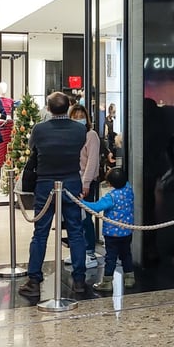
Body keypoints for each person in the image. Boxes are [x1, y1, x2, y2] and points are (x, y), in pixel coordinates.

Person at [19, 92, 88, 298]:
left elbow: (33, 147)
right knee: (76, 232)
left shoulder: (39, 129)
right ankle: (79, 280)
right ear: (68, 107)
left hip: (45, 183)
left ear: (48, 109)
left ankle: (34, 280)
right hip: (72, 182)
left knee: (40, 233)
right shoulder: (79, 129)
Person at [85, 168, 136, 292]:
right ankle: (129, 278)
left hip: (112, 234)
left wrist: (81, 201)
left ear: (110, 184)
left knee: (110, 258)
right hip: (127, 232)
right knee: (126, 255)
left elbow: (96, 207)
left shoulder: (111, 197)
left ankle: (107, 282)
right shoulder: (129, 190)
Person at [68, 104, 101, 270]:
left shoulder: (91, 135)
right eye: (75, 116)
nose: (78, 119)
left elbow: (92, 161)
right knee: (74, 218)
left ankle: (90, 252)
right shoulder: (70, 135)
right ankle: (77, 251)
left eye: (81, 116)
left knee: (86, 218)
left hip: (86, 181)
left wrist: (86, 182)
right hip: (72, 180)